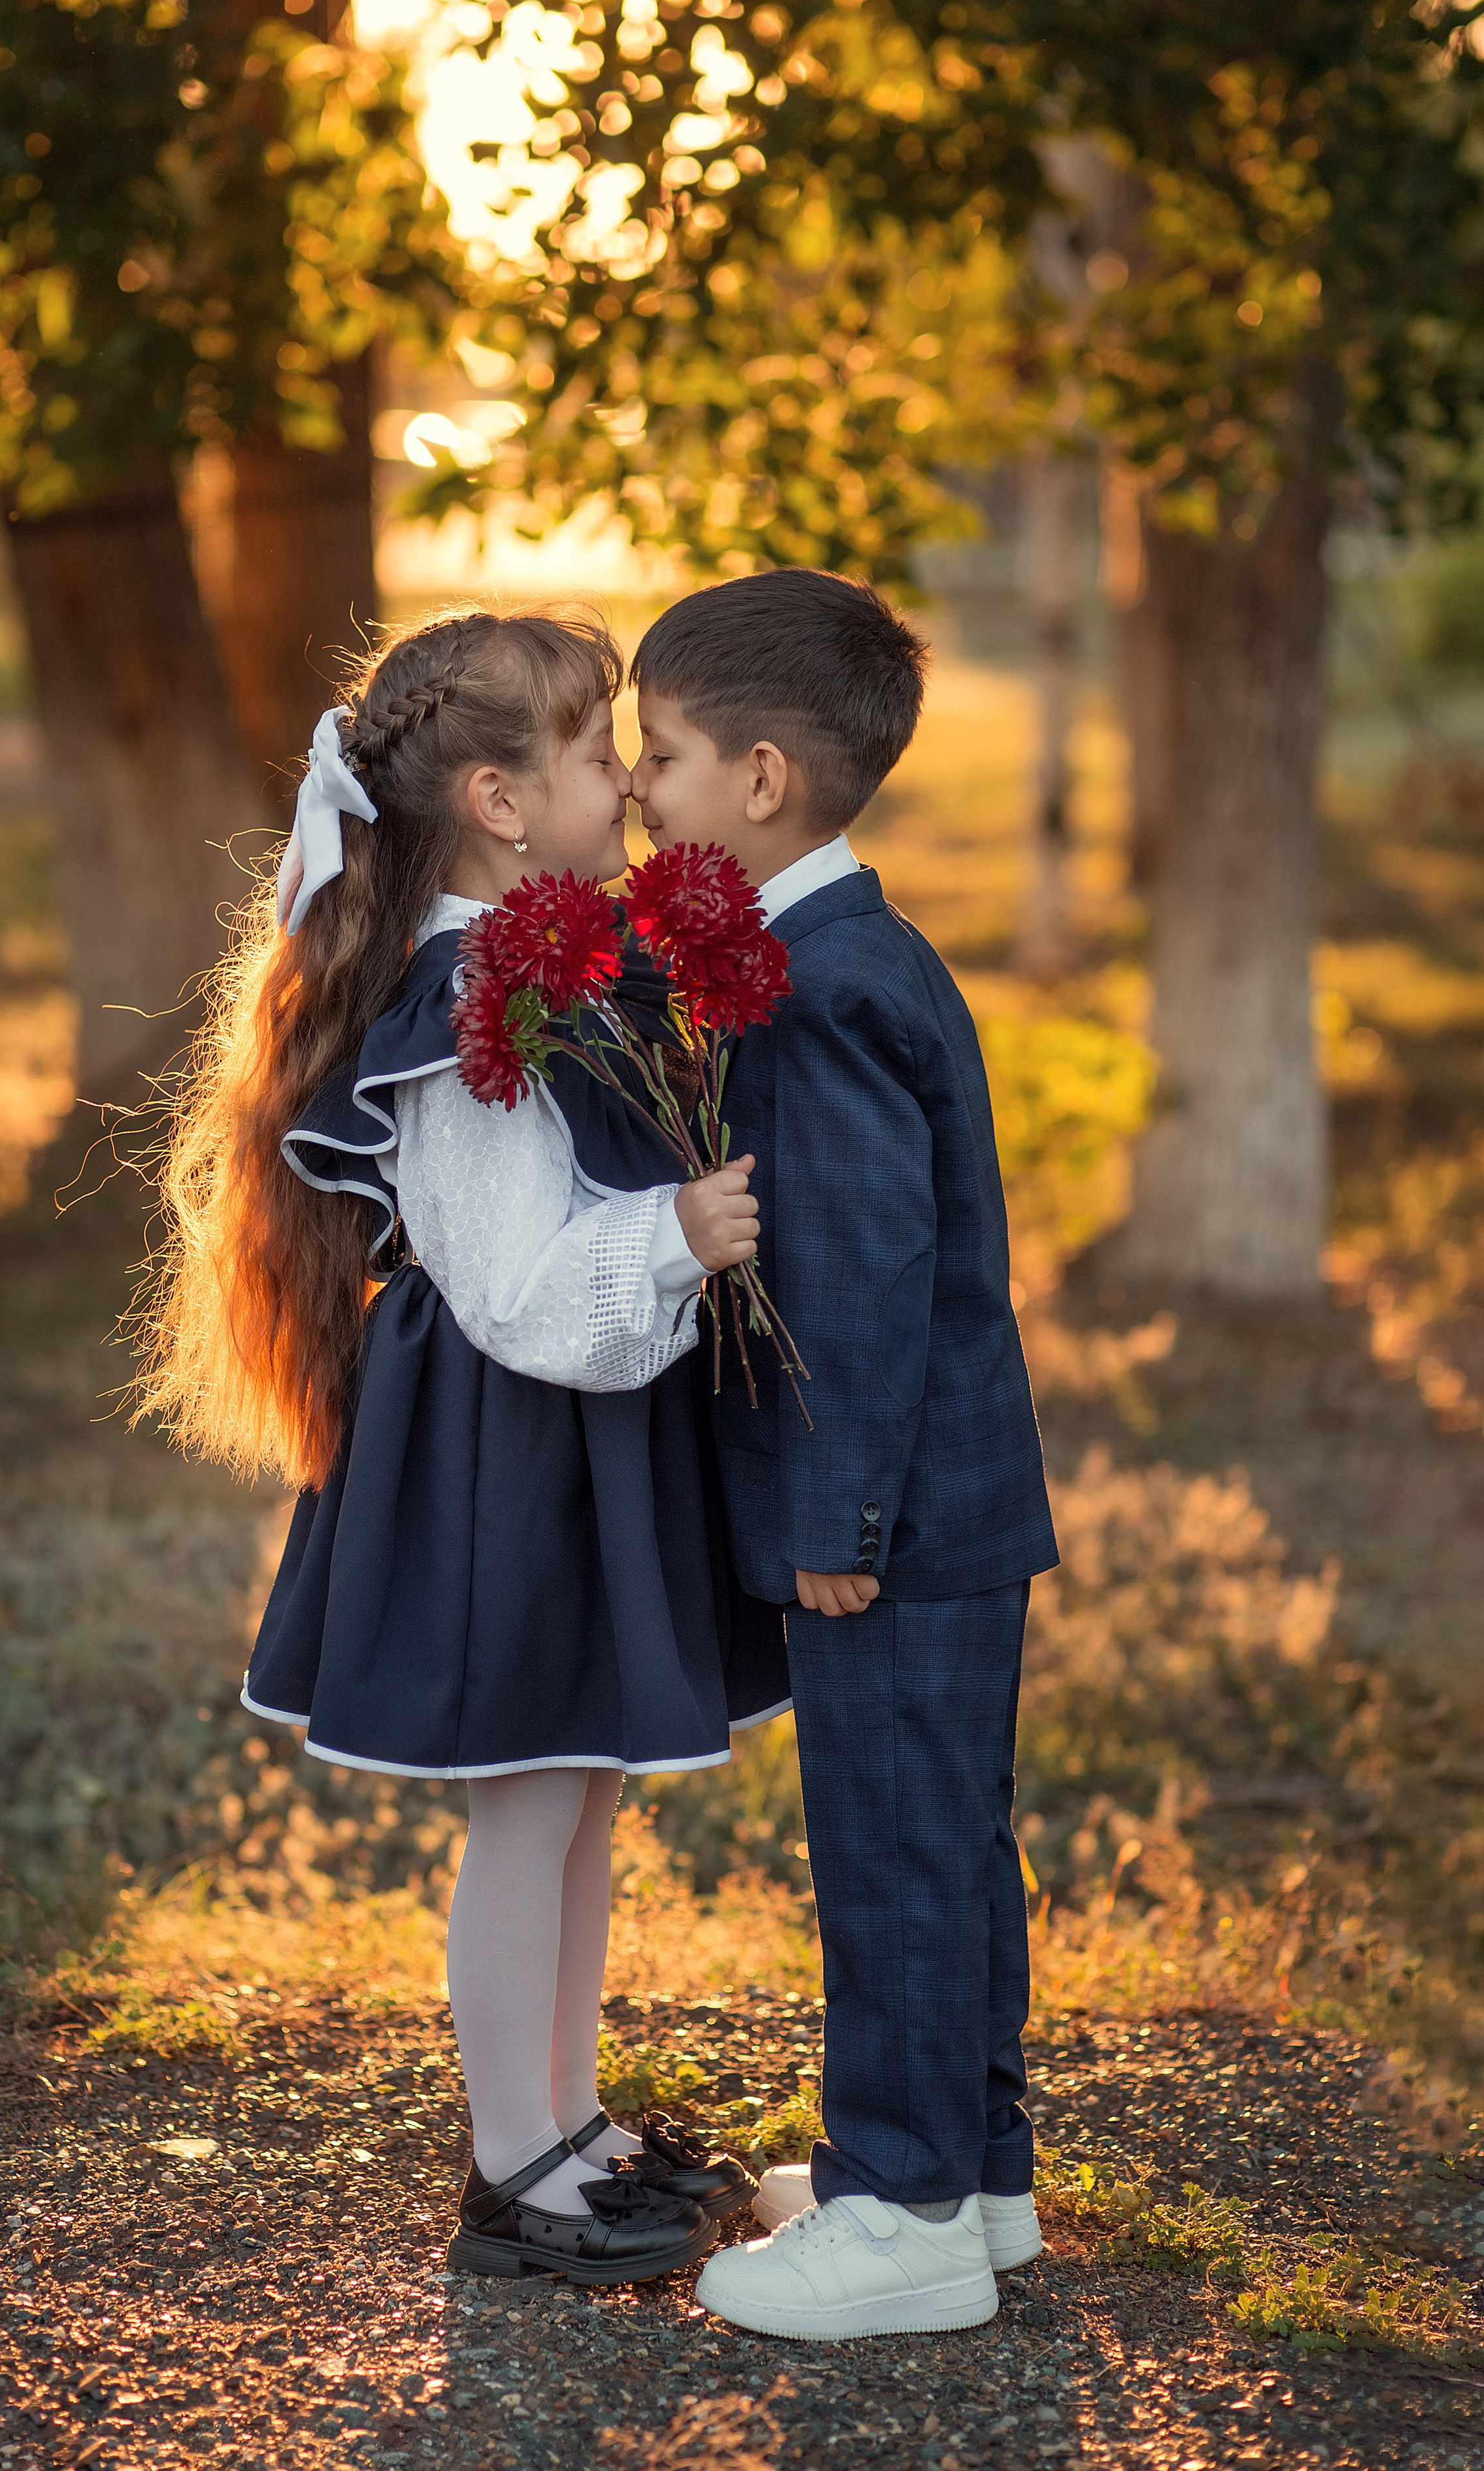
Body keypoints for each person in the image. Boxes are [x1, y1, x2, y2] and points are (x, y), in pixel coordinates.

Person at [140, 606, 789, 2286]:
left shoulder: (539, 958)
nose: (628, 787)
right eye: (597, 759)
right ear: (500, 802)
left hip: (572, 1424)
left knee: (579, 1795)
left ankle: (565, 2122)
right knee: (527, 1806)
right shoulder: (465, 997)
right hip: (508, 1432)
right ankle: (517, 2166)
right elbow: (510, 1280)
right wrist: (677, 1240)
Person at [628, 569, 1059, 2341]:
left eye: (656, 756)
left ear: (759, 779)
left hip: (892, 1509)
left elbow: (870, 1276)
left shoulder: (813, 989)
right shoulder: (846, 954)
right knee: (947, 1835)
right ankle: (977, 2172)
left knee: (894, 1844)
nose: (640, 792)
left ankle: (901, 2209)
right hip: (942, 1500)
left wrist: (836, 1513)